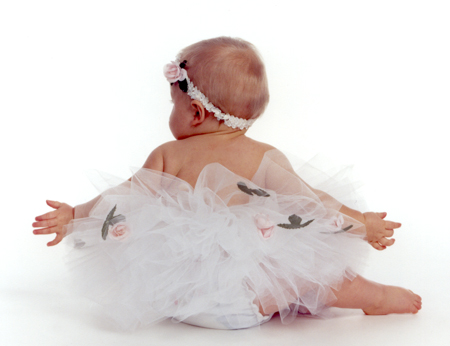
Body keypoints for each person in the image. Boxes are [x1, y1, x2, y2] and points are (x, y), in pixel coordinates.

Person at [32, 37, 421, 330]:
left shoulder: (169, 154)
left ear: (196, 112)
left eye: (174, 104)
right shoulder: (262, 156)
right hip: (247, 300)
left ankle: (297, 298)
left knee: (280, 257)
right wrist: (363, 223)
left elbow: (122, 197)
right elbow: (312, 205)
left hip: (180, 302)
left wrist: (73, 216)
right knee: (316, 268)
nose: (172, 111)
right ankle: (374, 297)